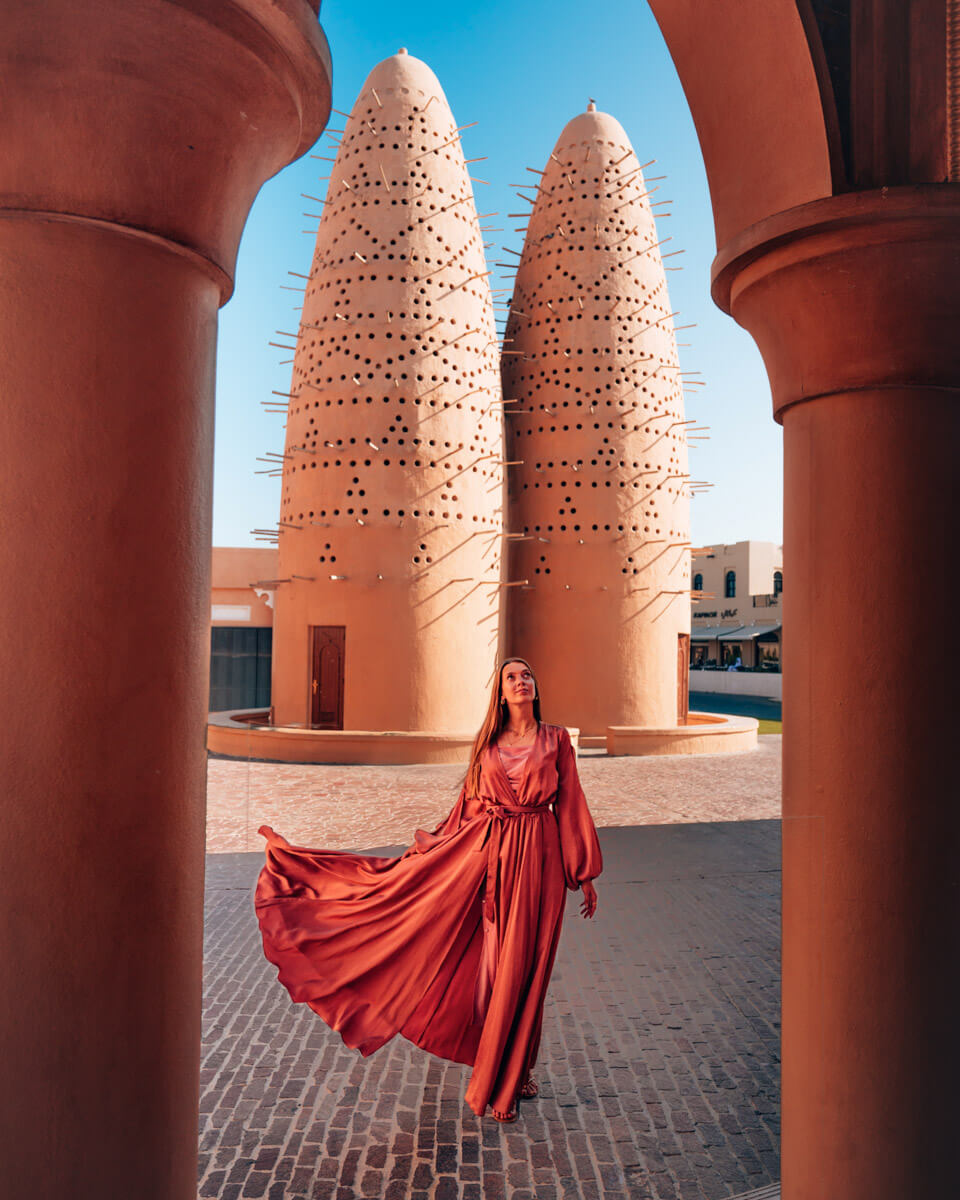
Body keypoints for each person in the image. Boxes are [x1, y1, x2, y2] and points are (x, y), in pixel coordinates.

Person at [255, 656, 603, 1123]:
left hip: (541, 863)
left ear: (535, 688)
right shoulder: (488, 749)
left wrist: (583, 872)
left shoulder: (556, 740)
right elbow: (467, 813)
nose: (521, 683)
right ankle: (495, 1070)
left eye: (527, 676)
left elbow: (571, 802)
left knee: (528, 974)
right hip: (494, 864)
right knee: (497, 970)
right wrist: (430, 855)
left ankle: (516, 1073)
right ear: (500, 694)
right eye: (511, 678)